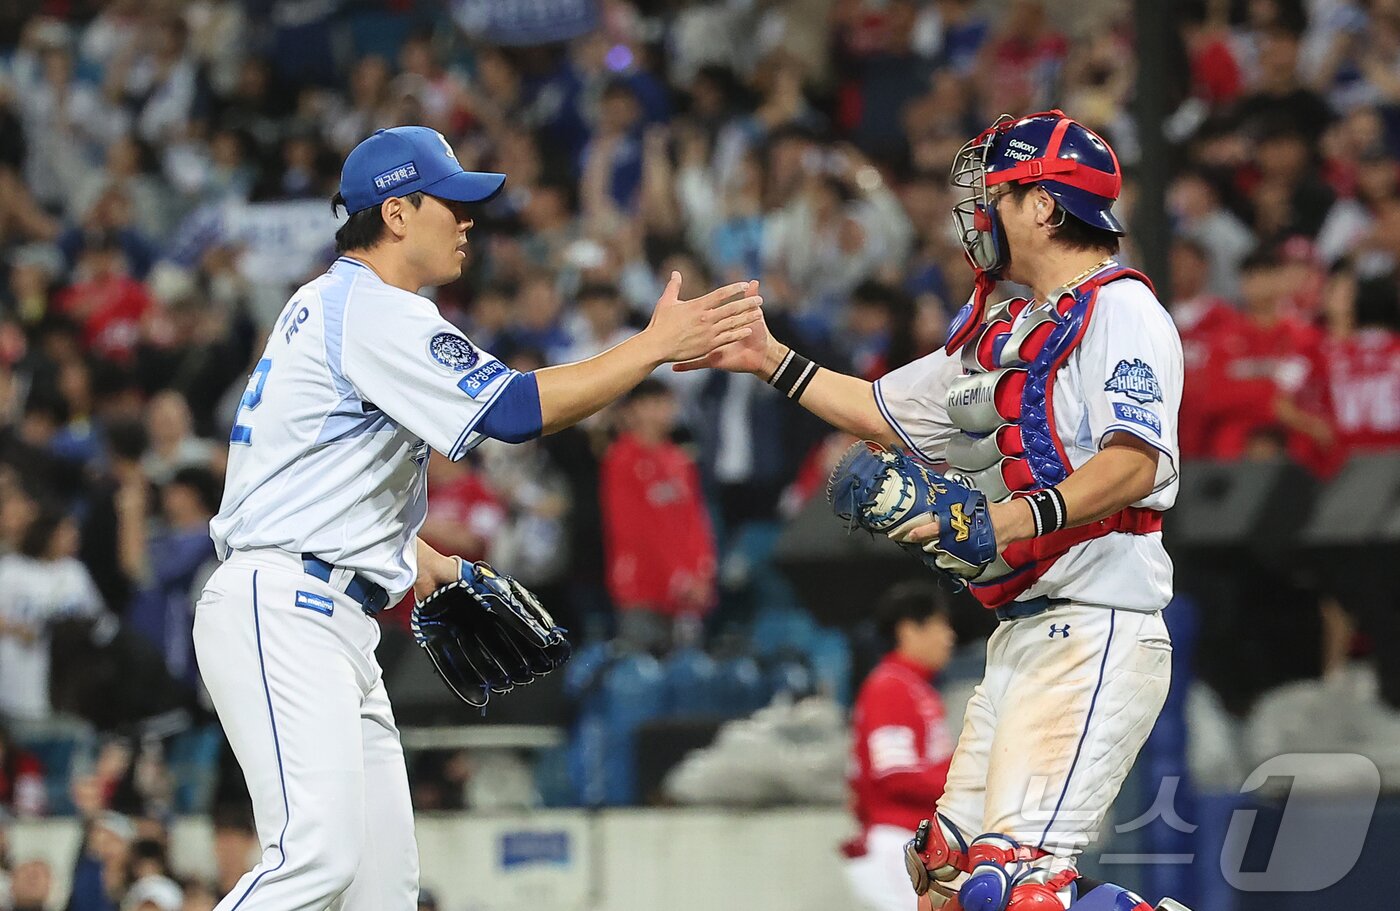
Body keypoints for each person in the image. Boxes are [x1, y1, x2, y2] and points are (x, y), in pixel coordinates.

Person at [195, 125, 762, 911]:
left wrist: (417, 557)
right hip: (286, 608)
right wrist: (651, 347)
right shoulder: (373, 308)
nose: (468, 220)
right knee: (316, 858)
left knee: (381, 890)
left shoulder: (330, 304)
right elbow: (517, 411)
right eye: (451, 202)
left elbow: (311, 476)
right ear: (396, 213)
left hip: (327, 613)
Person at [686, 110, 1188, 909]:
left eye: (999, 191)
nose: (981, 210)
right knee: (947, 881)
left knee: (1016, 886)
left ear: (1046, 207)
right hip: (1022, 631)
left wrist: (1005, 520)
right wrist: (771, 360)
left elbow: (1135, 463)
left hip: (1100, 619)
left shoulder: (1120, 311)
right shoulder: (1008, 325)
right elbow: (887, 410)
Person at [843, 581, 957, 911]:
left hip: (914, 843)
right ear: (909, 630)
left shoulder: (914, 687)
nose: (948, 637)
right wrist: (965, 786)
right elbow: (895, 776)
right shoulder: (889, 686)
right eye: (940, 625)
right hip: (895, 843)